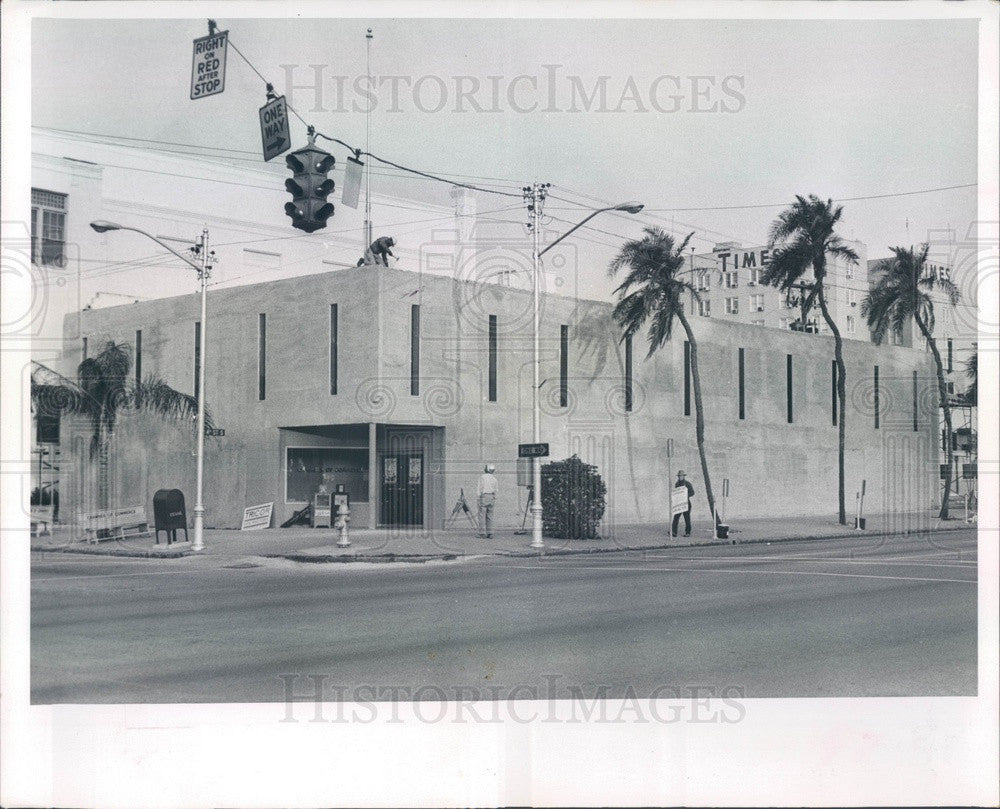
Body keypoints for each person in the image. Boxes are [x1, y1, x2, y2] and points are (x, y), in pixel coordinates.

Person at [477, 463, 498, 539]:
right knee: (490, 515)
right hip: (492, 497)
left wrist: (479, 497)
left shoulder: (482, 477)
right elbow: (496, 490)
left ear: (487, 469)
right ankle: (490, 533)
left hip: (484, 496)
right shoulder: (494, 479)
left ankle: (482, 533)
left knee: (482, 515)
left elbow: (479, 487)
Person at [671, 470, 695, 537]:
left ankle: (688, 532)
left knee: (687, 518)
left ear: (684, 476)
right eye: (679, 476)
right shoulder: (677, 484)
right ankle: (674, 532)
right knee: (676, 518)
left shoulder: (687, 484)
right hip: (679, 503)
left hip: (686, 503)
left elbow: (692, 492)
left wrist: (685, 495)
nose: (680, 477)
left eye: (681, 476)